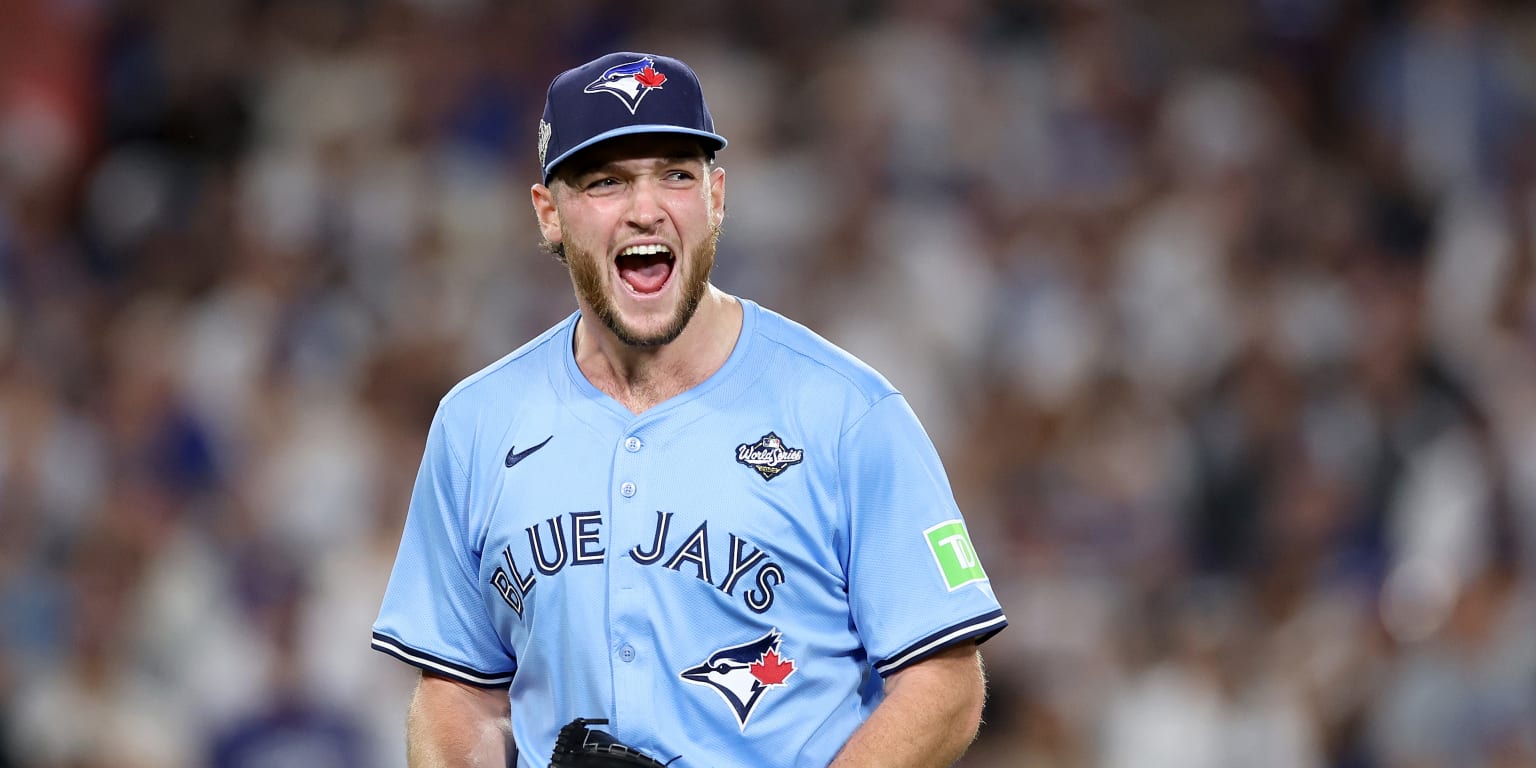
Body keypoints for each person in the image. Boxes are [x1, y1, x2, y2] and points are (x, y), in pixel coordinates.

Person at [371, 51, 1007, 768]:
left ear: (717, 197)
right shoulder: (477, 424)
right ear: (550, 215)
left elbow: (945, 681)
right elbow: (462, 691)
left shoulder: (845, 412)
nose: (646, 208)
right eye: (606, 182)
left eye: (676, 174)